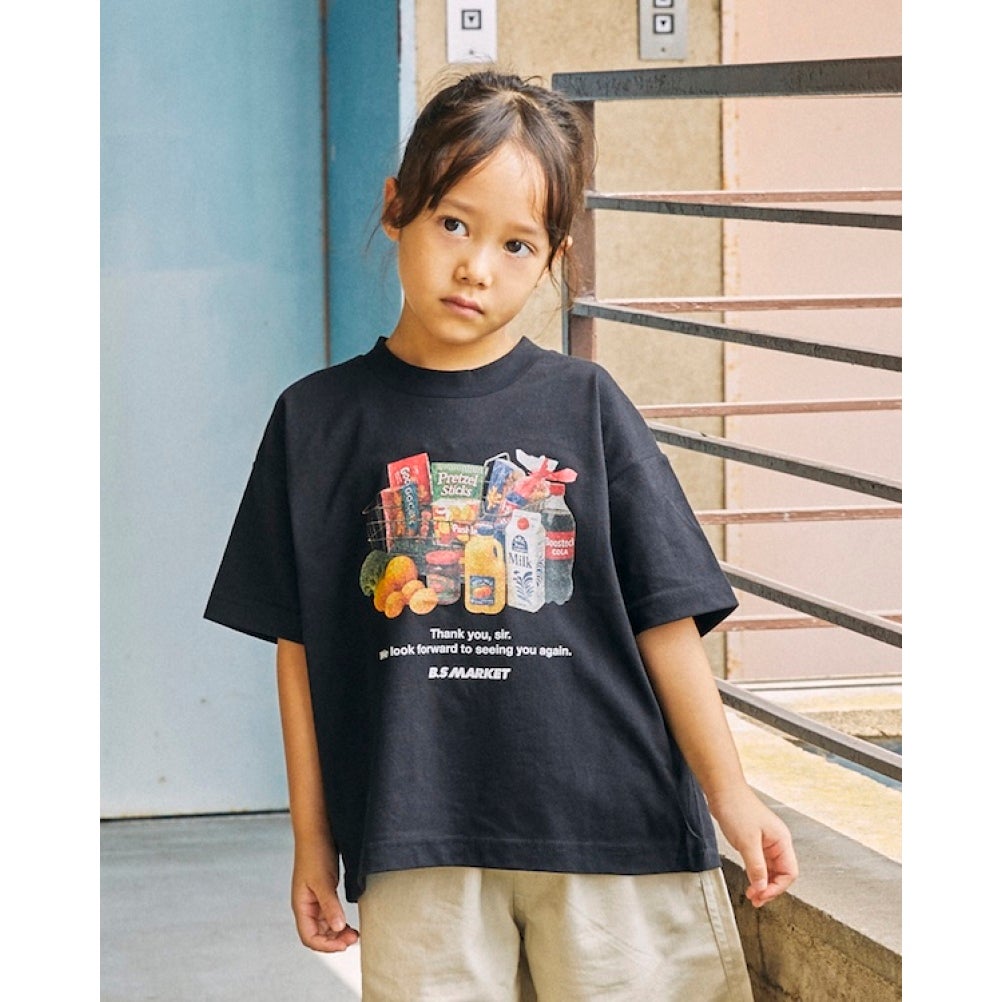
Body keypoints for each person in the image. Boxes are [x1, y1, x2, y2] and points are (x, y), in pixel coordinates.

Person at [205, 70, 797, 1002]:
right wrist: (313, 841)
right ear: (396, 207)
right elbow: (299, 651)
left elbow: (666, 619)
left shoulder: (587, 405)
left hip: (614, 833)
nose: (477, 267)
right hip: (417, 842)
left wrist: (732, 796)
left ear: (552, 258)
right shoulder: (315, 422)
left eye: (515, 244)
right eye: (453, 223)